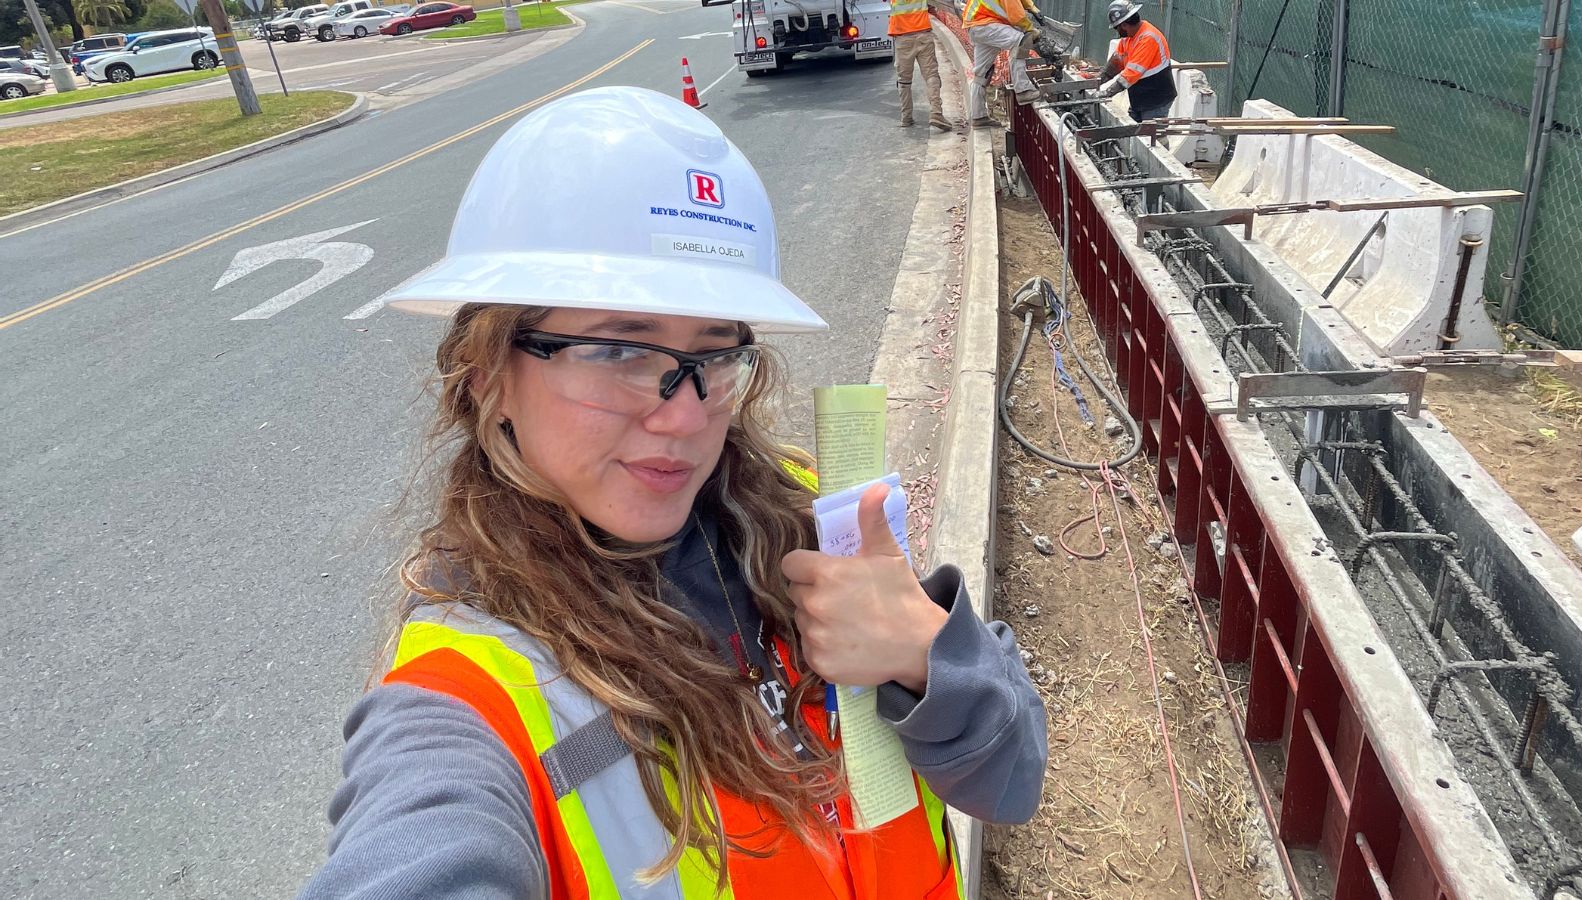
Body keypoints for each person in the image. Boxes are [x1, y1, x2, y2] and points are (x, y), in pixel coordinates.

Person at [298, 85, 1047, 899]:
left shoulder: (804, 523)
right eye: (619, 352)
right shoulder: (468, 698)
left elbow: (1011, 782)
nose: (685, 416)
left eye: (716, 355)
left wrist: (930, 659)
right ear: (488, 374)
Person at [1091, 0, 1177, 122]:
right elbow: (1117, 62)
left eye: (1117, 27)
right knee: (1134, 131)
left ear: (1124, 24)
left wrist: (1107, 92)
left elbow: (1131, 74)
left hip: (1156, 99)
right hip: (1141, 97)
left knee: (1152, 137)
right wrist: (1097, 81)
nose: (1117, 31)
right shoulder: (1129, 37)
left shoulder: (1148, 38)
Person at [962, 0, 1043, 127]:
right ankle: (1023, 90)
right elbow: (1017, 16)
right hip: (986, 23)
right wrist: (1030, 29)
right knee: (1022, 41)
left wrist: (1032, 7)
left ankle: (978, 116)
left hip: (977, 25)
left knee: (981, 74)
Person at [890, 0, 952, 131]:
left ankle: (906, 117)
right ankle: (936, 112)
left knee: (904, 81)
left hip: (903, 38)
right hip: (923, 34)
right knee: (931, 75)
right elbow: (933, 6)